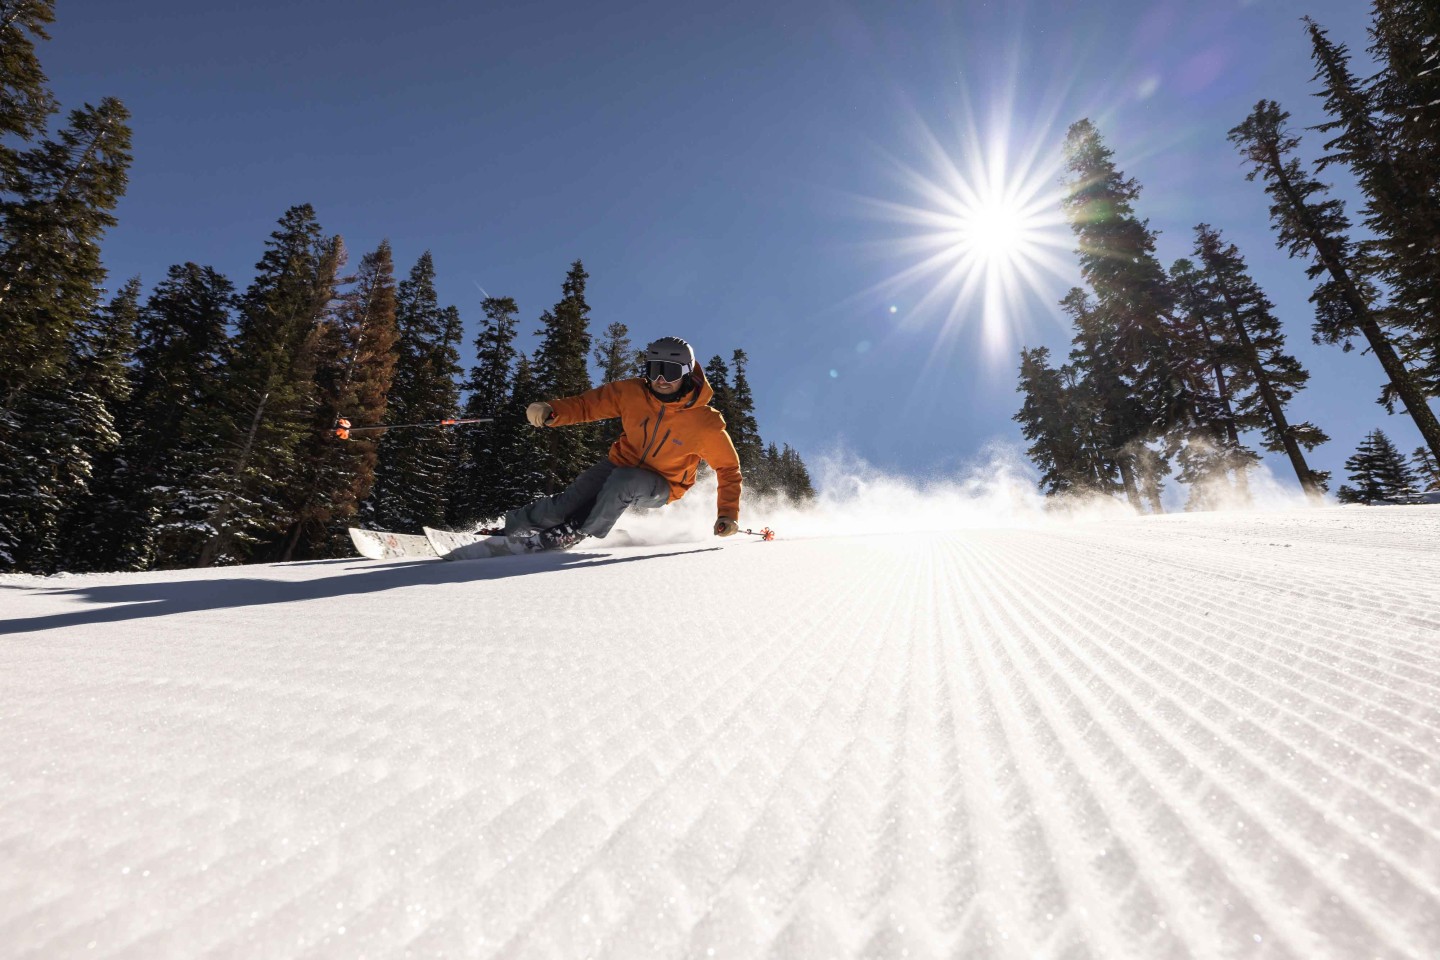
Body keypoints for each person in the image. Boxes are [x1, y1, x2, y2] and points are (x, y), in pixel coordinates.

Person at [499, 336, 743, 550]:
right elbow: (588, 405)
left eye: (670, 371)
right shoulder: (632, 393)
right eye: (653, 369)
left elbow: (728, 469)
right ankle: (509, 530)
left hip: (664, 484)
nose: (660, 379)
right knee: (566, 504)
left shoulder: (704, 422)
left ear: (687, 372)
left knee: (623, 483)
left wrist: (727, 514)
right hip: (620, 463)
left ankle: (576, 532)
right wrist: (552, 411)